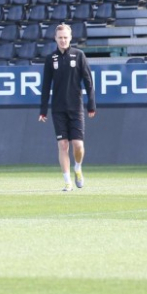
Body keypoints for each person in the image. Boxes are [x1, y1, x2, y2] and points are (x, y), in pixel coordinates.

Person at [39, 23, 96, 192]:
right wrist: (43, 110)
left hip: (76, 107)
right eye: (60, 38)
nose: (63, 40)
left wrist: (91, 104)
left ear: (70, 38)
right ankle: (67, 182)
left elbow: (88, 82)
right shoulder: (51, 59)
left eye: (65, 37)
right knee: (63, 145)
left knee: (78, 145)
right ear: (55, 39)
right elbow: (46, 85)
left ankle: (77, 167)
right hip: (58, 108)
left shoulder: (79, 55)